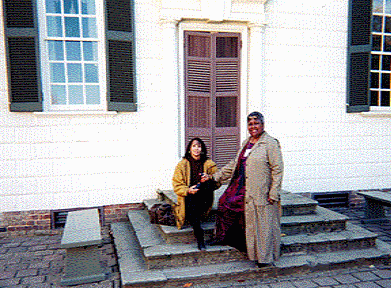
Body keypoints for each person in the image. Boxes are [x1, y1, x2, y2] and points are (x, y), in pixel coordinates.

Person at [202, 111, 283, 267]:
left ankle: (264, 258)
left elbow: (277, 169)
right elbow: (233, 164)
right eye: (250, 124)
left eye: (256, 123)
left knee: (263, 224)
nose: (253, 127)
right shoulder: (247, 142)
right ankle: (224, 238)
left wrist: (274, 192)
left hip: (261, 190)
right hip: (242, 187)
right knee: (225, 202)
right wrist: (214, 177)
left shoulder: (270, 143)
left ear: (263, 125)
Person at [172, 138, 219, 250]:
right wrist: (188, 190)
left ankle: (200, 232)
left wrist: (208, 179)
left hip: (204, 197)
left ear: (202, 149)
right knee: (192, 202)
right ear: (189, 149)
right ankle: (200, 238)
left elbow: (217, 182)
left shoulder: (209, 164)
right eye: (194, 146)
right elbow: (177, 185)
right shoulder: (182, 165)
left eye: (199, 146)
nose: (196, 149)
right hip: (190, 196)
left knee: (203, 189)